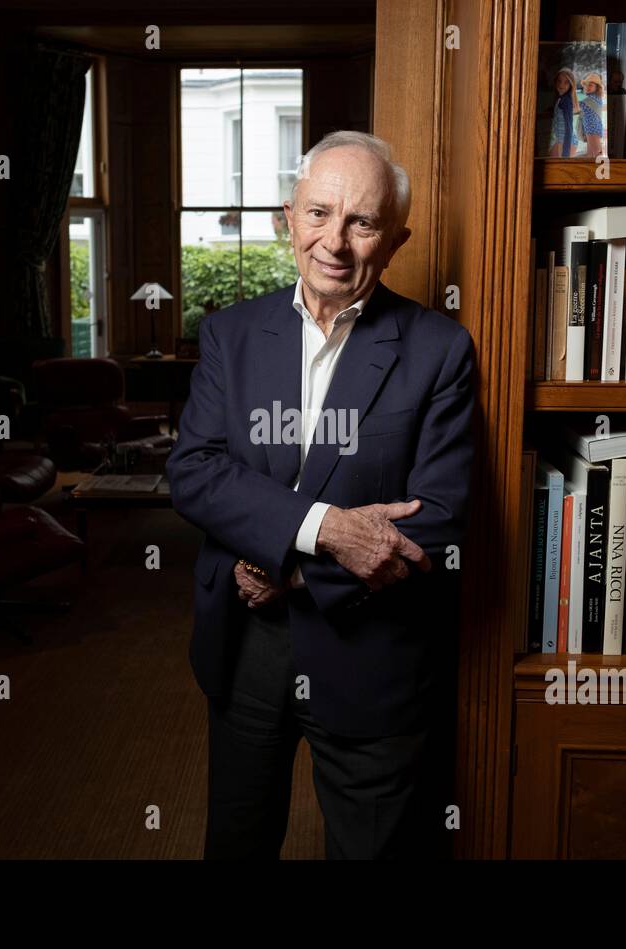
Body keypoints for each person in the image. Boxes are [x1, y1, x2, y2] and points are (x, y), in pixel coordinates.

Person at [167, 130, 475, 860]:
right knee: (236, 842)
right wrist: (328, 528)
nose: (334, 241)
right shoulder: (230, 335)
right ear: (289, 216)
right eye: (319, 213)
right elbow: (197, 471)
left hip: (369, 650)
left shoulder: (439, 350)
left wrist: (294, 568)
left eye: (362, 222)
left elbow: (436, 525)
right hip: (246, 643)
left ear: (395, 240)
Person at [549, 67, 579, 157]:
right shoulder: (561, 98)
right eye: (559, 81)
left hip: (567, 141)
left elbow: (569, 127)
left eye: (566, 82)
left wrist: (565, 152)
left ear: (571, 85)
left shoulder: (566, 101)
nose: (561, 85)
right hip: (561, 139)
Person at [579, 72, 606, 158]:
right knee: (591, 154)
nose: (587, 87)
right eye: (586, 85)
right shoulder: (597, 98)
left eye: (590, 85)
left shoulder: (589, 100)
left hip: (592, 129)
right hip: (593, 128)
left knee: (597, 154)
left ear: (597, 87)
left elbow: (576, 107)